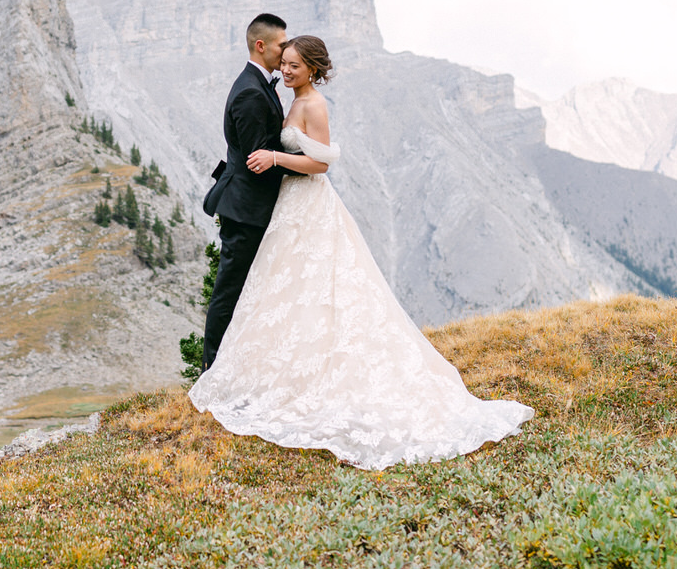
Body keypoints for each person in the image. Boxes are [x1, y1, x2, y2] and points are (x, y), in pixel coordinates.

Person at [190, 34, 534, 470]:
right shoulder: (289, 98)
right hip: (289, 207)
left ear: (312, 68)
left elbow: (322, 163)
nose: (287, 70)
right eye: (286, 62)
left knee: (323, 284)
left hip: (309, 202)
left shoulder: (314, 104)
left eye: (295, 65)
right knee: (287, 288)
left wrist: (276, 159)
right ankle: (290, 368)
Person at [200, 13, 294, 370]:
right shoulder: (251, 92)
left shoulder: (257, 84)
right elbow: (259, 159)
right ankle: (211, 373)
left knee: (248, 289)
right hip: (246, 209)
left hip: (252, 206)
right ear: (261, 45)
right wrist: (308, 161)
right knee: (229, 291)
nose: (285, 51)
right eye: (282, 45)